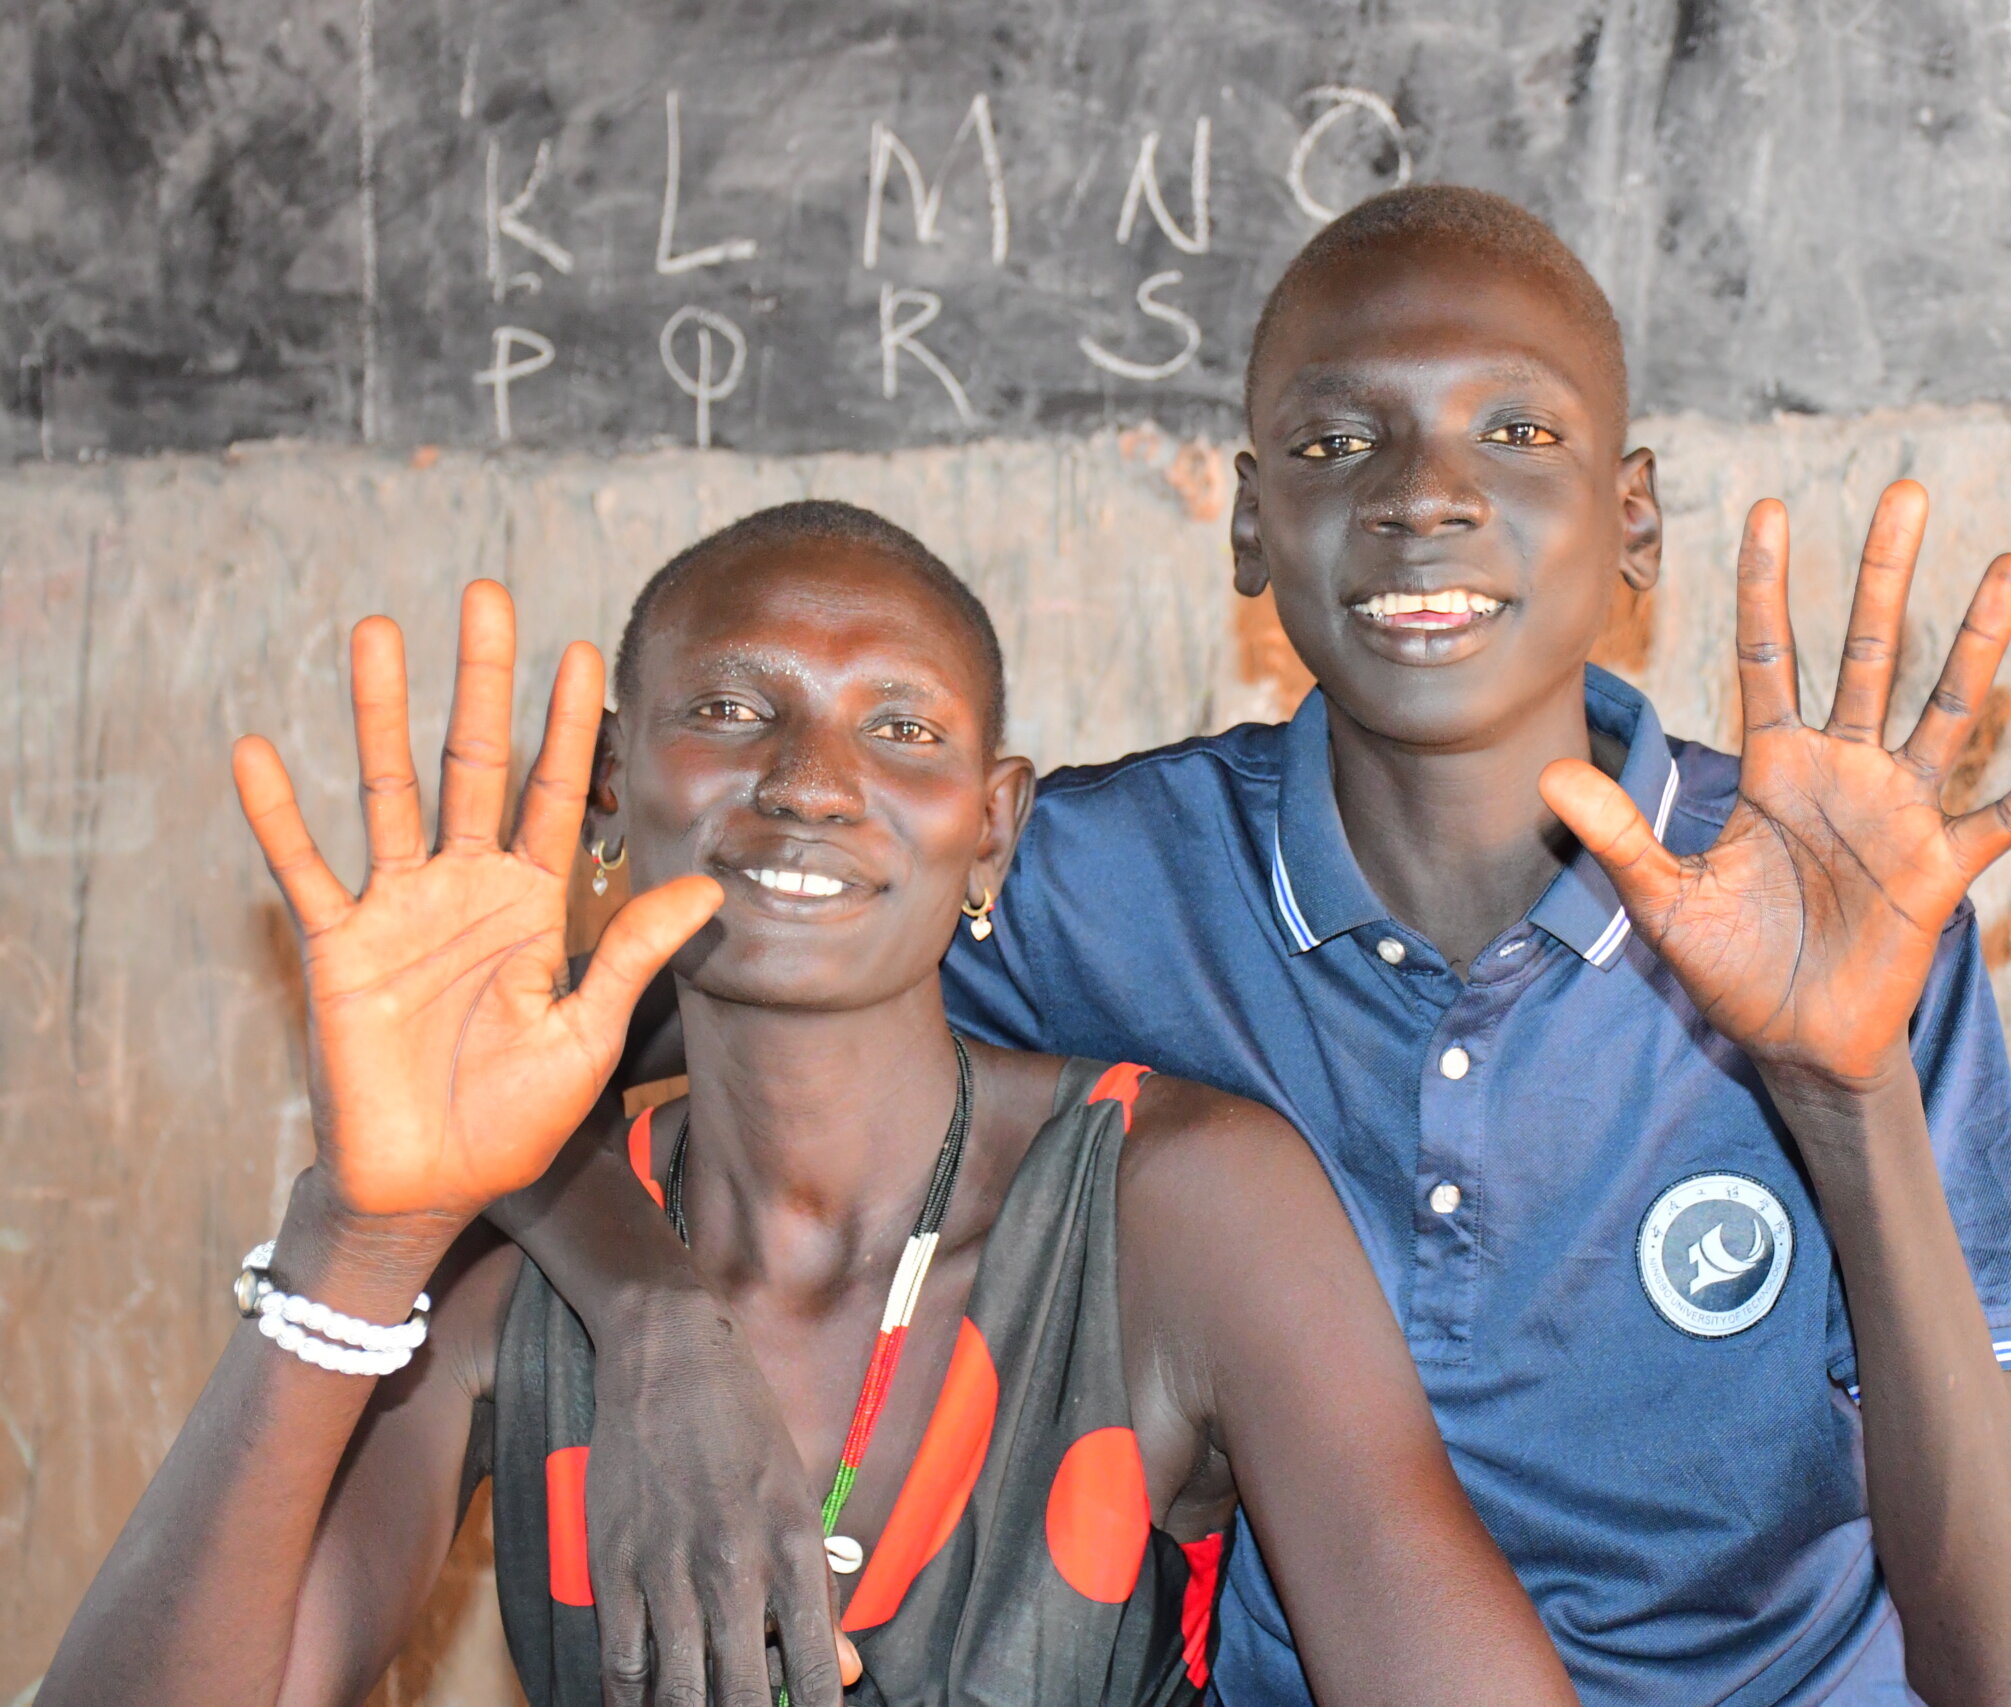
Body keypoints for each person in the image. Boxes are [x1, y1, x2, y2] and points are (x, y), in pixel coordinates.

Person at [499, 188, 2011, 1705]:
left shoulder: (1818, 908)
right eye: (1342, 440)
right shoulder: (1082, 880)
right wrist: (644, 1310)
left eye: (1518, 429)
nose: (1426, 494)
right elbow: (511, 1057)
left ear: (1634, 520)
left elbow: (2006, 1671)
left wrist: (1847, 1096)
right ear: (1251, 528)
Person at [36, 510, 1581, 1707]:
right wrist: (356, 1241)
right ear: (611, 795)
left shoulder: (1174, 1209)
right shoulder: (504, 1254)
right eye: (732, 707)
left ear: (992, 831)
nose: (813, 781)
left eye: (901, 729)